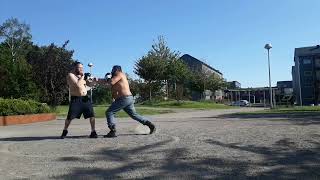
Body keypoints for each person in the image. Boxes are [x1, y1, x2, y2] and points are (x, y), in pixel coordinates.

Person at [104, 65, 156, 138]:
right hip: (126, 99)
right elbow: (113, 91)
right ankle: (150, 125)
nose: (112, 71)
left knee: (109, 112)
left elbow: (111, 82)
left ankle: (112, 131)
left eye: (113, 70)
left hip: (124, 98)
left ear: (117, 70)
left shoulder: (120, 74)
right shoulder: (116, 80)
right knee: (134, 115)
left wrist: (108, 78)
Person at [60, 61, 98, 139]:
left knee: (92, 115)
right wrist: (83, 76)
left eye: (82, 68)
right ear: (74, 68)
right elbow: (77, 84)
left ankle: (93, 131)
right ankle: (65, 130)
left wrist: (94, 81)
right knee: (70, 117)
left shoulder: (82, 77)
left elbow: (89, 85)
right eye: (79, 67)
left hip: (85, 98)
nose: (81, 69)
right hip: (76, 99)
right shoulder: (71, 75)